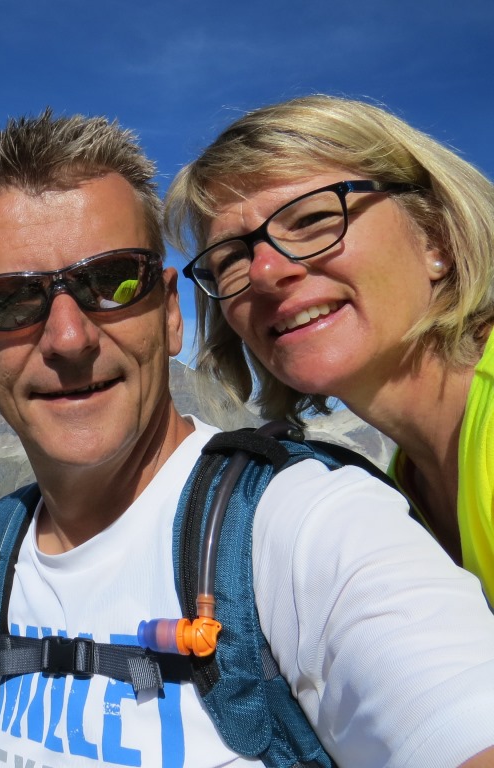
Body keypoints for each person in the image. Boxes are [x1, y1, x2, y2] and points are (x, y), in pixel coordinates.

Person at [0, 109, 494, 767]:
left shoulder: (306, 522)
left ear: (170, 314)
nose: (69, 337)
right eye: (10, 300)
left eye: (112, 281)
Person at [163, 94, 494, 603]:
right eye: (230, 257)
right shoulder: (405, 482)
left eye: (312, 219)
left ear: (437, 238)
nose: (266, 273)